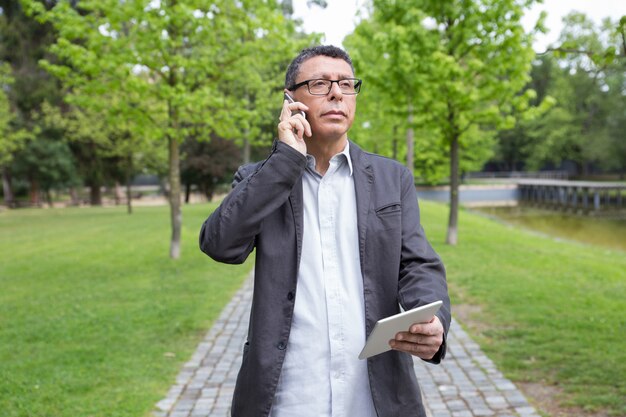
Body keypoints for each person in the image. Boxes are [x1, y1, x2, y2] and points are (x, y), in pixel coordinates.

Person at [199, 45, 450, 417]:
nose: (336, 93)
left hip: (376, 395)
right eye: (319, 84)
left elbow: (418, 265)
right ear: (290, 100)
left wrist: (433, 320)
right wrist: (286, 159)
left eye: (347, 84)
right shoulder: (260, 178)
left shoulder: (391, 177)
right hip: (288, 396)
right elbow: (220, 244)